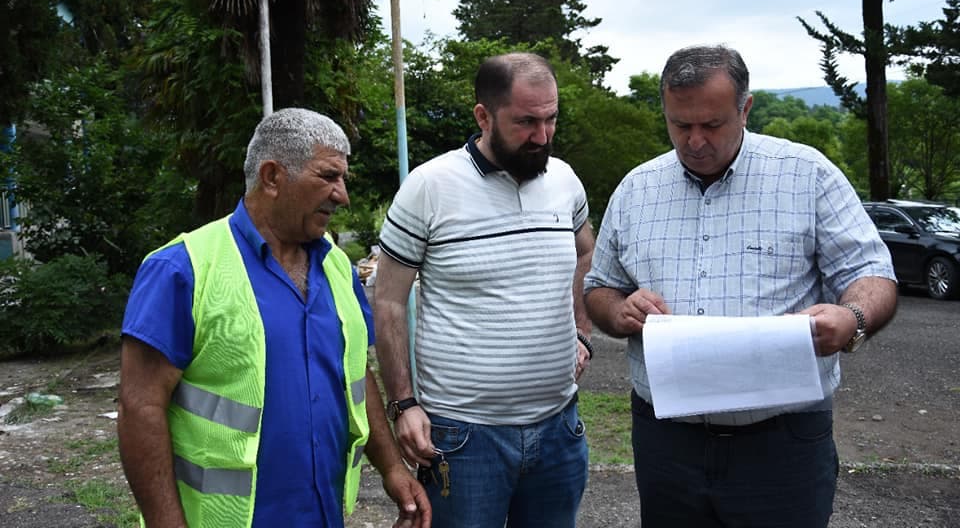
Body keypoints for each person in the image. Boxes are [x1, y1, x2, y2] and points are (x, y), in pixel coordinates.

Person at [584, 44, 898, 528]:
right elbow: (600, 287)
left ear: (745, 108)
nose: (694, 141)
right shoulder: (636, 190)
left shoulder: (806, 175)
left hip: (782, 445)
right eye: (679, 124)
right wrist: (617, 309)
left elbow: (871, 271)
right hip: (667, 443)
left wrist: (852, 318)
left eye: (711, 125)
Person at [117, 108, 430, 528]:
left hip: (322, 515)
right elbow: (141, 407)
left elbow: (356, 378)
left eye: (343, 179)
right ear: (272, 177)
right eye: (328, 176)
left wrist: (391, 467)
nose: (342, 195)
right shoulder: (183, 268)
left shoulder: (337, 268)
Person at [373, 52, 595, 528]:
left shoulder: (565, 181)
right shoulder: (429, 187)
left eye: (550, 119)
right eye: (526, 122)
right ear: (483, 116)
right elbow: (388, 300)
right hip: (462, 439)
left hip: (559, 427)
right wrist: (404, 405)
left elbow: (585, 252)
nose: (542, 136)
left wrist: (582, 331)